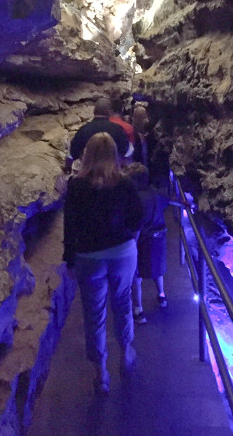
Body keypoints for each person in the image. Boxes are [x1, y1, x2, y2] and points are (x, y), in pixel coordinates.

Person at [63, 133, 144, 393]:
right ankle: (126, 353)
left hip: (89, 256)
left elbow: (70, 225)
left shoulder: (76, 185)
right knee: (122, 305)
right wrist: (128, 235)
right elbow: (138, 216)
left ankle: (101, 373)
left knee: (94, 315)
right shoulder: (124, 183)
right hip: (122, 252)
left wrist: (70, 259)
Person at [122, 162, 183, 324]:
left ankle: (138, 309)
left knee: (136, 275)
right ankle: (161, 296)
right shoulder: (155, 193)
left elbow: (134, 224)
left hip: (141, 239)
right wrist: (186, 204)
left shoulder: (133, 200)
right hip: (158, 237)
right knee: (157, 269)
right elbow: (171, 200)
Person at [64, 97, 131, 173]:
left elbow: (73, 153)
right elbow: (125, 150)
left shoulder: (84, 129)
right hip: (111, 174)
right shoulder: (118, 129)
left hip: (88, 175)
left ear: (94, 111)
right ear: (110, 112)